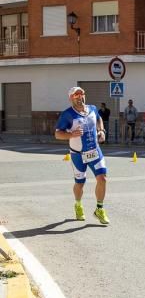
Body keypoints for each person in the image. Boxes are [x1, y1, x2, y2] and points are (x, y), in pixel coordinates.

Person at [55, 87, 109, 224]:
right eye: (76, 95)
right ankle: (78, 204)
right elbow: (57, 134)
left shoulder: (92, 108)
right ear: (71, 99)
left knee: (102, 178)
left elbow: (99, 118)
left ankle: (99, 209)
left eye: (81, 94)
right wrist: (71, 135)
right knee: (80, 183)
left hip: (94, 151)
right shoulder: (67, 114)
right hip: (77, 154)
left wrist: (101, 130)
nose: (80, 97)